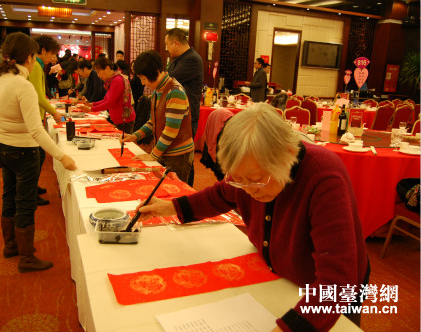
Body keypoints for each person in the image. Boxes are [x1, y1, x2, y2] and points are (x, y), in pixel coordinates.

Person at [135, 103, 369, 332]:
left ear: (287, 155)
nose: (247, 189)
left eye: (256, 179)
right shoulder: (248, 170)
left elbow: (338, 282)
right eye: (238, 179)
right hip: (281, 278)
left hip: (325, 291)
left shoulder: (323, 177)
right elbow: (220, 195)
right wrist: (170, 207)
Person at [0, 32, 77, 273]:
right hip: (23, 151)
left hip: (2, 147)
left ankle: (11, 245)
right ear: (29, 57)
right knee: (25, 203)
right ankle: (26, 258)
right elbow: (36, 131)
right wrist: (62, 156)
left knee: (9, 196)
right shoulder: (22, 85)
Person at [122, 50, 194, 182]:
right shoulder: (157, 91)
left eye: (143, 78)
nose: (143, 83)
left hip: (178, 155)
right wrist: (135, 136)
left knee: (174, 193)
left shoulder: (175, 92)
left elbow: (171, 131)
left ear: (154, 73)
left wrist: (153, 155)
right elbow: (152, 122)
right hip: (164, 151)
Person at [165, 28, 203, 186]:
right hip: (178, 113)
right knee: (176, 157)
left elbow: (169, 79)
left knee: (185, 157)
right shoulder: (179, 59)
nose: (167, 49)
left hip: (187, 115)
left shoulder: (192, 59)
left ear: (175, 43)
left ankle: (187, 189)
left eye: (167, 44)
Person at [28, 35, 63, 206]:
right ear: (42, 50)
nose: (52, 58)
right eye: (51, 54)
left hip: (37, 114)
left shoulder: (37, 66)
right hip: (34, 116)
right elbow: (38, 96)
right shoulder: (35, 66)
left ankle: (33, 187)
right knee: (37, 155)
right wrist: (54, 112)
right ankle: (31, 191)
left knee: (38, 155)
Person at [79, 57, 135, 134]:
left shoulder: (117, 81)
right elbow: (105, 100)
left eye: (98, 72)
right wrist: (91, 104)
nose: (98, 75)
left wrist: (90, 109)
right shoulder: (112, 81)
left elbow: (109, 103)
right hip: (119, 120)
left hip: (124, 121)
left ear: (107, 68)